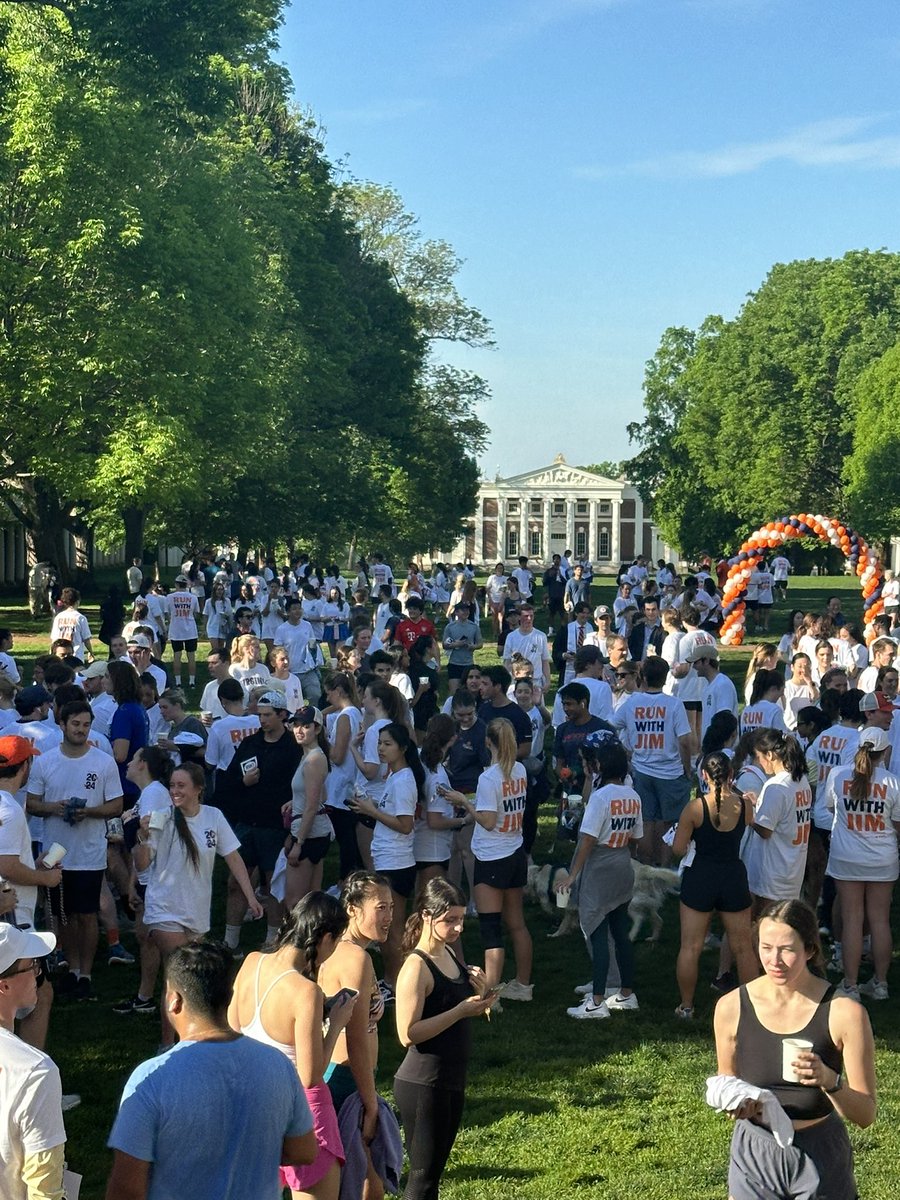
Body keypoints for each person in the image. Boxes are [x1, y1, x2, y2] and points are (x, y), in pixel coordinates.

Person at [107, 939, 316, 1200]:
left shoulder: (151, 1078)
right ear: (229, 996)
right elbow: (304, 1151)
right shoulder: (278, 1065)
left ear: (174, 1000)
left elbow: (126, 1188)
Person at [712, 899, 875, 1200]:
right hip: (754, 1150)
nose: (774, 960)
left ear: (810, 950)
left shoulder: (844, 1013)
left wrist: (830, 1081)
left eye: (787, 949)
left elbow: (865, 1114)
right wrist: (737, 1104)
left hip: (820, 1152)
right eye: (765, 947)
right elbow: (727, 1083)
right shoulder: (731, 1007)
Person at [229, 895, 356, 1200]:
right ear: (326, 938)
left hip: (253, 1108)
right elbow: (311, 1076)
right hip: (302, 1114)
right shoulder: (306, 992)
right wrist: (337, 1023)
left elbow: (233, 1034)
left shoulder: (251, 963)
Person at [393, 879, 495, 1200]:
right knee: (421, 1180)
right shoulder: (415, 966)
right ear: (426, 916)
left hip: (450, 1079)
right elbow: (406, 1033)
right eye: (449, 920)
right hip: (423, 1083)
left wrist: (482, 996)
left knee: (434, 1175)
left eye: (461, 919)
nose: (457, 928)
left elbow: (459, 1007)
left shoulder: (450, 952)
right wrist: (460, 1012)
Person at [26, 702, 124, 1001]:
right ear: (62, 724)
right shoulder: (46, 762)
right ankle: (71, 968)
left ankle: (86, 973)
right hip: (56, 854)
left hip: (90, 852)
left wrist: (90, 812)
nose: (81, 730)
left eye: (85, 724)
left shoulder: (103, 762)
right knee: (62, 914)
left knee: (87, 914)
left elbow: (117, 806)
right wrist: (55, 808)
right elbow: (31, 804)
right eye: (75, 724)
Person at [442, 720, 532, 1001]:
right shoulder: (520, 769)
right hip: (515, 851)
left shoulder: (489, 778)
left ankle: (489, 994)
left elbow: (490, 821)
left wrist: (464, 802)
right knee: (517, 923)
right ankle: (523, 984)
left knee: (491, 927)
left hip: (492, 857)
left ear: (488, 742)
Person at [554, 733, 642, 1019]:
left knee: (596, 932)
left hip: (600, 866)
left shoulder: (601, 797)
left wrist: (571, 875)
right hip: (623, 863)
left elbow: (587, 840)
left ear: (601, 767)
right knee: (620, 932)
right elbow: (637, 837)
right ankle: (626, 993)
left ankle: (597, 1002)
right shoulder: (633, 795)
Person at [318, 873, 392, 1198]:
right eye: (380, 908)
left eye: (391, 907)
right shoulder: (355, 958)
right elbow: (356, 1040)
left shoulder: (348, 952)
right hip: (347, 1082)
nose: (389, 916)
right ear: (352, 908)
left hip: (345, 1078)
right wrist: (370, 1102)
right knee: (365, 1187)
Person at [672, 752, 757, 1019]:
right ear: (732, 775)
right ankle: (752, 1009)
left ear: (704, 776)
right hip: (732, 876)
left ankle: (686, 1006)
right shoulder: (744, 806)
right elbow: (748, 822)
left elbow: (677, 849)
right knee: (743, 946)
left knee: (690, 947)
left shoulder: (695, 808)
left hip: (701, 877)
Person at [822, 727, 900, 1002]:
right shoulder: (893, 783)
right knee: (880, 920)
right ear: (884, 752)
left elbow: (831, 808)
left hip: (847, 857)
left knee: (852, 919)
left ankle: (851, 985)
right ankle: (880, 984)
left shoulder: (838, 775)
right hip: (882, 859)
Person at [347, 723, 423, 1000]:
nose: (380, 748)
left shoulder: (403, 780)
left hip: (396, 861)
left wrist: (371, 811)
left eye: (387, 743)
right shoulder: (394, 776)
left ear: (402, 748)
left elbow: (405, 825)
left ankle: (396, 984)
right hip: (388, 858)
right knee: (388, 928)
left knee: (390, 930)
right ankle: (394, 980)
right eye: (379, 743)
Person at [0, 924, 66, 1200]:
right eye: (33, 966)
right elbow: (45, 1191)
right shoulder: (35, 1072)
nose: (38, 975)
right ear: (4, 985)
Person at [746, 729, 813, 911]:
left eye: (759, 756)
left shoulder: (776, 786)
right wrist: (759, 802)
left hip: (772, 870)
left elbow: (765, 830)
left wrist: (749, 815)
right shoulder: (800, 780)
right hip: (792, 866)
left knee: (764, 924)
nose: (759, 762)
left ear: (770, 755)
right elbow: (786, 814)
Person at [284, 707, 334, 910]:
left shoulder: (313, 759)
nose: (299, 730)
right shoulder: (310, 756)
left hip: (309, 836)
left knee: (295, 903)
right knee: (313, 901)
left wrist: (298, 843)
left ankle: (301, 941)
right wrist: (294, 801)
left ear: (317, 728)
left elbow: (312, 806)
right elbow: (321, 795)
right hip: (316, 832)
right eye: (296, 725)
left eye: (306, 726)